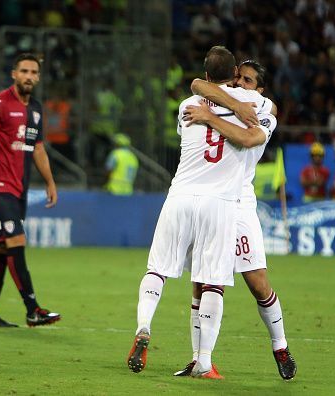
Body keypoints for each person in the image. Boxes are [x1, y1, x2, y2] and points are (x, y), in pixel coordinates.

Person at [127, 46, 272, 379]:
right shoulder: (255, 105)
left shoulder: (186, 106)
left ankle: (144, 325)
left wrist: (210, 113)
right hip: (219, 204)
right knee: (212, 283)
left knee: (157, 269)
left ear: (207, 75)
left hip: (179, 196)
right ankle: (204, 358)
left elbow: (197, 91)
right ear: (235, 73)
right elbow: (258, 123)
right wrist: (236, 105)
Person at [173, 59, 297, 380]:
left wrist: (211, 117)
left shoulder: (264, 111)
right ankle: (201, 360)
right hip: (210, 203)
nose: (241, 84)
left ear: (260, 89)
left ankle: (280, 345)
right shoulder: (226, 99)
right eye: (238, 78)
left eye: (248, 80)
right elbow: (198, 85)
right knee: (201, 283)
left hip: (240, 205)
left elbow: (249, 139)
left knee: (258, 283)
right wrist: (228, 106)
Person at [0, 53, 60, 328]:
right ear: (14, 74)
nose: (29, 76)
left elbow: (38, 148)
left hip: (19, 188)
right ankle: (33, 309)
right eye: (23, 70)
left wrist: (49, 181)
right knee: (16, 243)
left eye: (33, 72)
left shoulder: (35, 108)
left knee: (1, 247)